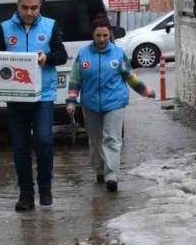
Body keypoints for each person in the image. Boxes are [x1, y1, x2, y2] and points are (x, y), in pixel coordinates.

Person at [0, 0, 68, 211]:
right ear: (18, 6)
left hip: (43, 96)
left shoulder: (50, 26)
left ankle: (45, 188)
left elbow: (61, 55)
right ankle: (26, 194)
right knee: (20, 147)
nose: (29, 12)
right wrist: (0, 86)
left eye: (34, 8)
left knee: (44, 141)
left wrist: (47, 58)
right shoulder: (5, 28)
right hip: (15, 98)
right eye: (25, 8)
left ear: (39, 6)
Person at [66, 17, 155, 192]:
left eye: (105, 35)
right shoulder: (83, 54)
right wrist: (71, 100)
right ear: (93, 35)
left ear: (110, 34)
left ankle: (111, 175)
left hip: (114, 102)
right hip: (90, 103)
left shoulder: (118, 53)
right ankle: (99, 169)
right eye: (98, 35)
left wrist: (145, 91)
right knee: (96, 139)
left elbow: (129, 76)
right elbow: (75, 79)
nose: (101, 39)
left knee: (112, 139)